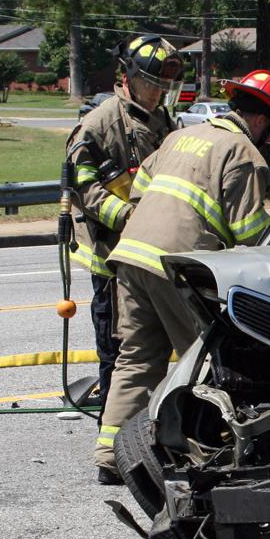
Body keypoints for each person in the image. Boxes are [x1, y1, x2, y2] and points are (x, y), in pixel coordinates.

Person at [91, 70, 270, 485]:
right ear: (261, 121)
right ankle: (200, 453)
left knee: (136, 359)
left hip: (131, 257)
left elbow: (138, 191)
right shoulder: (243, 154)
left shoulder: (181, 135)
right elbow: (250, 237)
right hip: (178, 267)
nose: (269, 138)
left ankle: (110, 456)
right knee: (203, 363)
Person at [66, 35, 181, 424]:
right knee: (118, 351)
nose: (158, 94)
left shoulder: (164, 120)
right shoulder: (99, 124)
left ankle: (149, 425)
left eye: (165, 88)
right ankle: (112, 432)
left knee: (153, 347)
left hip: (151, 256)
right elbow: (82, 188)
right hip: (111, 258)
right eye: (152, 84)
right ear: (128, 77)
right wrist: (131, 219)